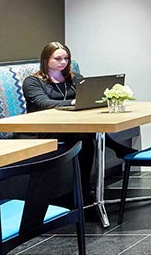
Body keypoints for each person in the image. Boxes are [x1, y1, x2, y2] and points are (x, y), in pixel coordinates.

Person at [22, 42, 96, 200]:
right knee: (85, 136)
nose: (63, 62)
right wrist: (72, 102)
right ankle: (85, 188)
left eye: (66, 58)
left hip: (69, 126)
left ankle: (84, 188)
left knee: (86, 135)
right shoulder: (33, 81)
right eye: (58, 58)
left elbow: (87, 96)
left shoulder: (74, 78)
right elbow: (43, 103)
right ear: (46, 59)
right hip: (42, 129)